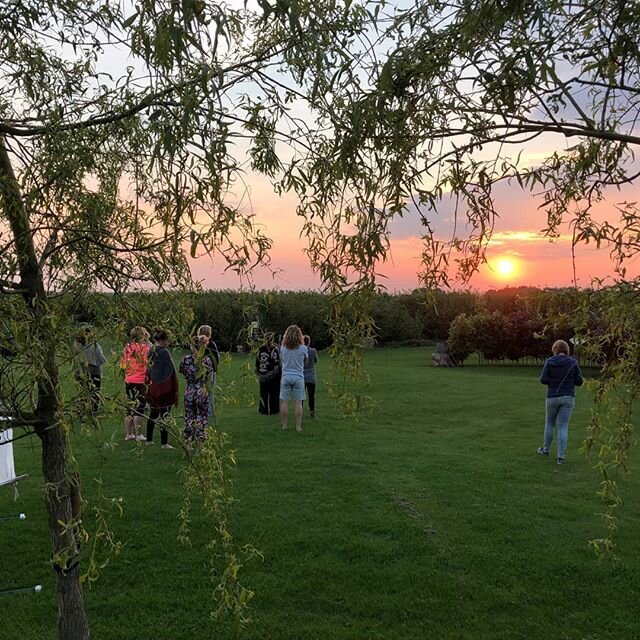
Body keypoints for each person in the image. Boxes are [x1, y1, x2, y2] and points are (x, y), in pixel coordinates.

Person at [537, 339, 584, 464]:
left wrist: (553, 381)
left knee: (550, 424)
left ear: (555, 349)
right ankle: (560, 457)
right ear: (566, 350)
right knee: (563, 426)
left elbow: (543, 379)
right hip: (568, 396)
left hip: (552, 396)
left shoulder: (550, 362)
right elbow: (579, 381)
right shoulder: (573, 362)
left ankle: (546, 449)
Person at [145, 327, 179, 449]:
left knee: (153, 413)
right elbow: (170, 371)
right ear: (163, 340)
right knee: (164, 414)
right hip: (164, 387)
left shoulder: (151, 350)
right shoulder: (164, 352)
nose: (168, 343)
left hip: (153, 386)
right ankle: (164, 443)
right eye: (167, 340)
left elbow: (149, 369)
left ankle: (148, 440)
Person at [179, 336, 214, 443]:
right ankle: (201, 437)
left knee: (189, 415)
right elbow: (209, 375)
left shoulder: (186, 359)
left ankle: (188, 439)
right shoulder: (206, 360)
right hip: (202, 390)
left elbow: (183, 372)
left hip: (190, 389)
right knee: (202, 415)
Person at [121, 326, 150, 440]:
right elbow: (148, 364)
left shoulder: (127, 348)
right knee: (140, 407)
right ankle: (138, 434)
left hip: (129, 380)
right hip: (141, 380)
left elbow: (123, 365)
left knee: (130, 406)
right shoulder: (145, 349)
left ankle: (129, 434)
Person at [279, 325, 308, 432]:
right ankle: (298, 427)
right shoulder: (303, 348)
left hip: (286, 376)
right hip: (299, 377)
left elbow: (282, 360)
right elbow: (306, 362)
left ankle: (284, 426)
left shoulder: (282, 348)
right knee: (298, 403)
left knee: (284, 402)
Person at [74, 326, 106, 415]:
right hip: (94, 371)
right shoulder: (94, 345)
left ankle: (81, 411)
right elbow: (100, 358)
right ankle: (93, 411)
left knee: (83, 391)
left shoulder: (76, 345)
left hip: (79, 371)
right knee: (94, 392)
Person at [255, 332, 281, 415]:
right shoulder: (275, 349)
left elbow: (256, 365)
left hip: (263, 375)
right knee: (273, 394)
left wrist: (260, 375)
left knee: (263, 394)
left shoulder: (260, 349)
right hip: (272, 376)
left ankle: (263, 410)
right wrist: (268, 375)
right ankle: (274, 410)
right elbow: (276, 366)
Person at [197, 324, 220, 417]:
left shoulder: (196, 344)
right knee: (209, 392)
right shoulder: (211, 345)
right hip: (209, 371)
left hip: (200, 371)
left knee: (200, 391)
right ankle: (208, 411)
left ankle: (200, 409)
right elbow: (216, 360)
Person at [303, 334, 318, 418]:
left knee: (301, 396)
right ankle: (312, 412)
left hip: (302, 376)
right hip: (311, 376)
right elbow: (316, 360)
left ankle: (299, 410)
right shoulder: (313, 351)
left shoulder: (300, 352)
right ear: (309, 342)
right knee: (311, 396)